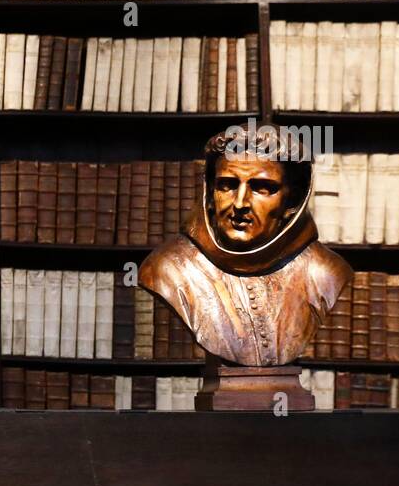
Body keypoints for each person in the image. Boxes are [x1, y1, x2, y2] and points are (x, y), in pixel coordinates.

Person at [139, 126, 352, 367]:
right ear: (209, 193)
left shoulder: (326, 273)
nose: (240, 203)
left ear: (293, 201)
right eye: (227, 185)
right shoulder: (167, 268)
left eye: (262, 188)